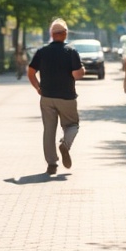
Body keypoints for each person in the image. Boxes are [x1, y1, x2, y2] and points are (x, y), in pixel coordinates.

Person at [27, 19, 85, 174]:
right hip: (67, 97)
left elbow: (30, 72)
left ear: (52, 35)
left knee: (49, 130)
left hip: (47, 96)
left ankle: (52, 164)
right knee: (72, 125)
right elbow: (77, 74)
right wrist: (82, 70)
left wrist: (38, 87)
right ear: (65, 34)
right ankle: (65, 145)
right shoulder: (71, 51)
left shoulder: (42, 52)